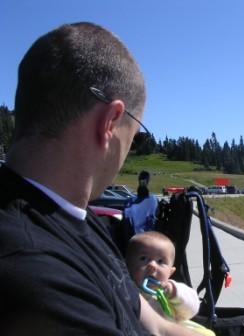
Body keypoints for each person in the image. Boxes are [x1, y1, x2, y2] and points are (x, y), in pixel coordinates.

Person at [0, 22, 201, 335]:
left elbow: (156, 325)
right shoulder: (36, 275)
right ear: (110, 121)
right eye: (135, 137)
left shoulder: (76, 216)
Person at [126, 231, 215, 336]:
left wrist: (174, 293)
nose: (152, 265)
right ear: (127, 265)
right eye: (143, 258)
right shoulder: (127, 289)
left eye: (160, 261)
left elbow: (191, 311)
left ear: (170, 272)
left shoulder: (171, 291)